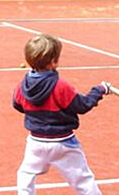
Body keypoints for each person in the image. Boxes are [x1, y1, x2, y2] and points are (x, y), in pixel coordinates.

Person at [12, 33, 110, 195]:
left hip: (36, 142)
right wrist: (99, 90)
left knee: (25, 174)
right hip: (64, 142)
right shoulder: (60, 86)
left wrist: (36, 114)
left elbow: (17, 104)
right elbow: (83, 105)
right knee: (83, 181)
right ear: (54, 62)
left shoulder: (22, 86)